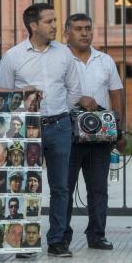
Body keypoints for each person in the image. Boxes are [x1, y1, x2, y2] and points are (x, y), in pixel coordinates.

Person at [0, 3, 85, 257]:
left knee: (61, 186)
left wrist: (58, 112)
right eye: (49, 21)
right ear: (33, 25)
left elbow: (75, 91)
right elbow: (5, 96)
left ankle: (57, 241)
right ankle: (24, 241)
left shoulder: (65, 54)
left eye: (55, 20)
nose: (55, 26)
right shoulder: (13, 56)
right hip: (26, 129)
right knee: (24, 186)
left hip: (59, 125)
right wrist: (25, 99)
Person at [63, 13, 125, 251]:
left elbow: (117, 94)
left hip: (100, 137)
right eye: (79, 28)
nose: (85, 33)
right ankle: (62, 237)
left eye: (88, 28)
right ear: (67, 33)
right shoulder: (61, 59)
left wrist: (118, 132)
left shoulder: (105, 60)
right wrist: (79, 98)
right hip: (68, 134)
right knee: (64, 189)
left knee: (99, 189)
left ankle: (97, 235)